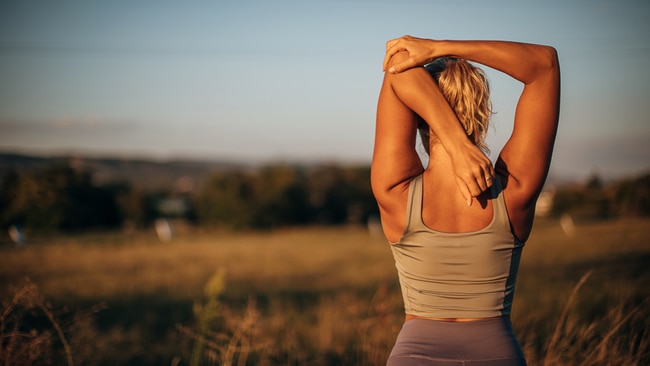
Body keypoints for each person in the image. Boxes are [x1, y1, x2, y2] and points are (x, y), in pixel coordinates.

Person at [371, 35, 560, 365]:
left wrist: (452, 141)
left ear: (415, 114)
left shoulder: (396, 192)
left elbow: (396, 67)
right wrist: (440, 47)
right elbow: (544, 65)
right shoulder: (513, 191)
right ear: (483, 111)